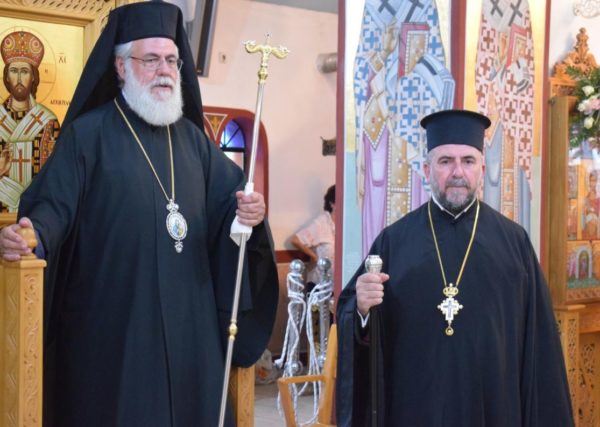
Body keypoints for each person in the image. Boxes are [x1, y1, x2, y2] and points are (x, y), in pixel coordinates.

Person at [0, 2, 278, 426]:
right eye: (150, 60)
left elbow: (232, 205)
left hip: (190, 328)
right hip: (115, 324)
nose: (164, 70)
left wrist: (248, 214)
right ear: (120, 66)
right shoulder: (87, 136)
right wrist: (31, 233)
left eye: (171, 60)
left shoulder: (195, 142)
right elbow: (53, 207)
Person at [336, 109, 574, 426]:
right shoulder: (394, 241)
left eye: (468, 161)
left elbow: (538, 341)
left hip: (493, 402)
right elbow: (354, 318)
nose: (458, 172)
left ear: (482, 169)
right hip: (416, 404)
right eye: (446, 161)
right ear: (427, 169)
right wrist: (362, 310)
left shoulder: (514, 243)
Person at [0, 30, 60, 211]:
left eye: (24, 71)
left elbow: (57, 175)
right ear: (6, 76)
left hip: (37, 212)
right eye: (14, 71)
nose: (19, 79)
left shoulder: (48, 123)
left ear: (33, 76)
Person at [291, 184, 335, 284]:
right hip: (318, 282)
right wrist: (315, 257)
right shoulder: (321, 222)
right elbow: (295, 240)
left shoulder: (346, 224)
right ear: (332, 203)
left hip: (338, 282)